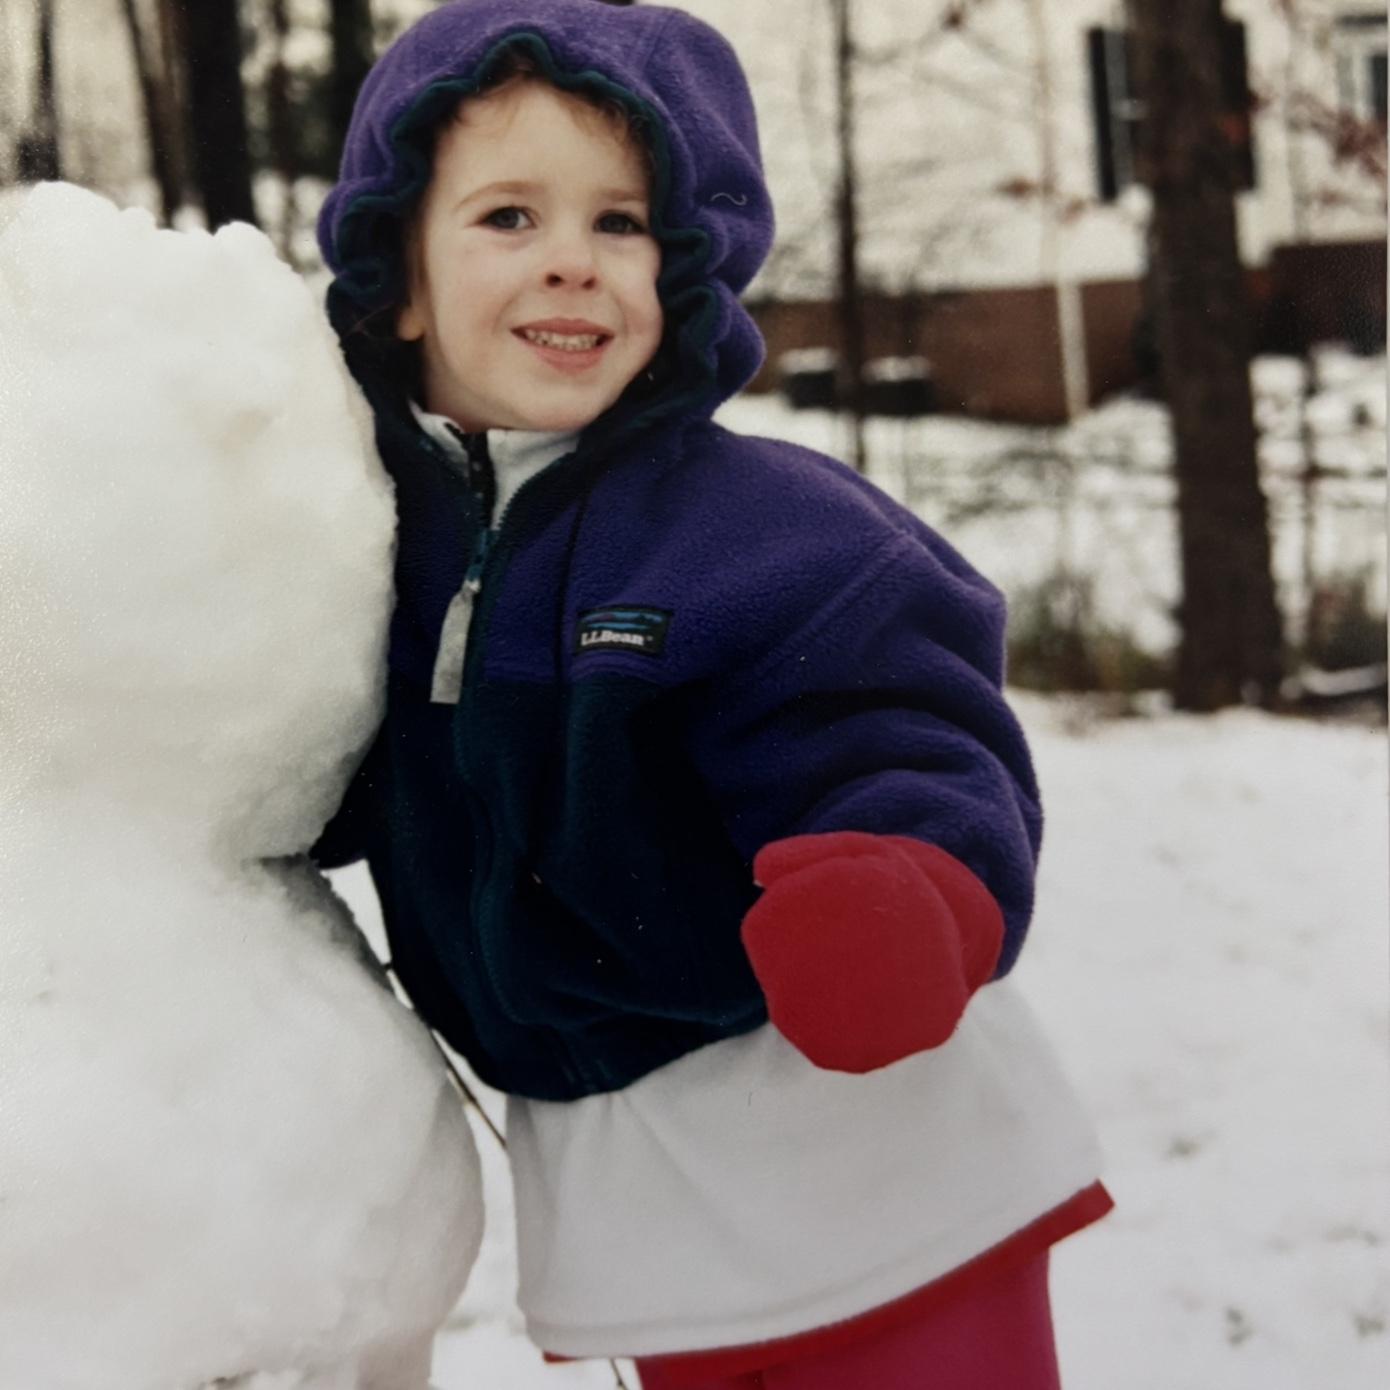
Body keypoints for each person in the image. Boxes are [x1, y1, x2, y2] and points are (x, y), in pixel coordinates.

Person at [312, 2, 1113, 1386]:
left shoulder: (759, 533)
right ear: (400, 278)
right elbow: (297, 764)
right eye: (509, 215)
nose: (572, 259)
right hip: (643, 1207)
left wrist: (909, 886)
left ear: (684, 274)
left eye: (621, 222)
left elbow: (898, 732)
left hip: (875, 1155)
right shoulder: (353, 543)